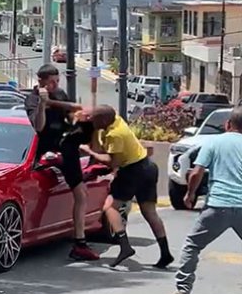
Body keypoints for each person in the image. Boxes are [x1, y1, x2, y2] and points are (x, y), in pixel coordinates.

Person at [79, 105, 174, 268]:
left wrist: (89, 151)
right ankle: (165, 253)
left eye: (93, 120)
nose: (90, 122)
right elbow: (103, 146)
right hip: (147, 167)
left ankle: (125, 246)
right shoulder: (116, 121)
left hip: (132, 170)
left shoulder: (115, 134)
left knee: (110, 207)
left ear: (102, 120)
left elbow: (112, 162)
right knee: (149, 212)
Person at [24, 64, 98, 261]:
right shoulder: (31, 99)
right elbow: (38, 127)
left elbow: (72, 112)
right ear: (41, 81)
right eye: (51, 82)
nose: (55, 85)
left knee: (81, 193)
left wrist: (68, 112)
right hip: (44, 148)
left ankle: (79, 242)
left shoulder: (60, 94)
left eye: (57, 81)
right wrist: (42, 104)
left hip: (64, 146)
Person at [173, 106, 242, 294]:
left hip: (217, 205)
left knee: (192, 245)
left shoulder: (214, 142)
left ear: (228, 125)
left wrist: (190, 194)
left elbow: (196, 172)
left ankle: (183, 290)